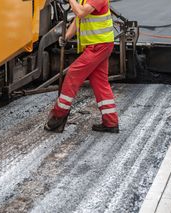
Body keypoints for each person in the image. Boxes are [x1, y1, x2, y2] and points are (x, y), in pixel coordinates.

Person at [44, 0, 119, 133]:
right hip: (98, 44)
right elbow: (79, 19)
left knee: (73, 74)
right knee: (99, 82)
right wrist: (66, 36)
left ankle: (59, 116)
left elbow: (81, 12)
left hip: (98, 45)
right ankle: (110, 122)